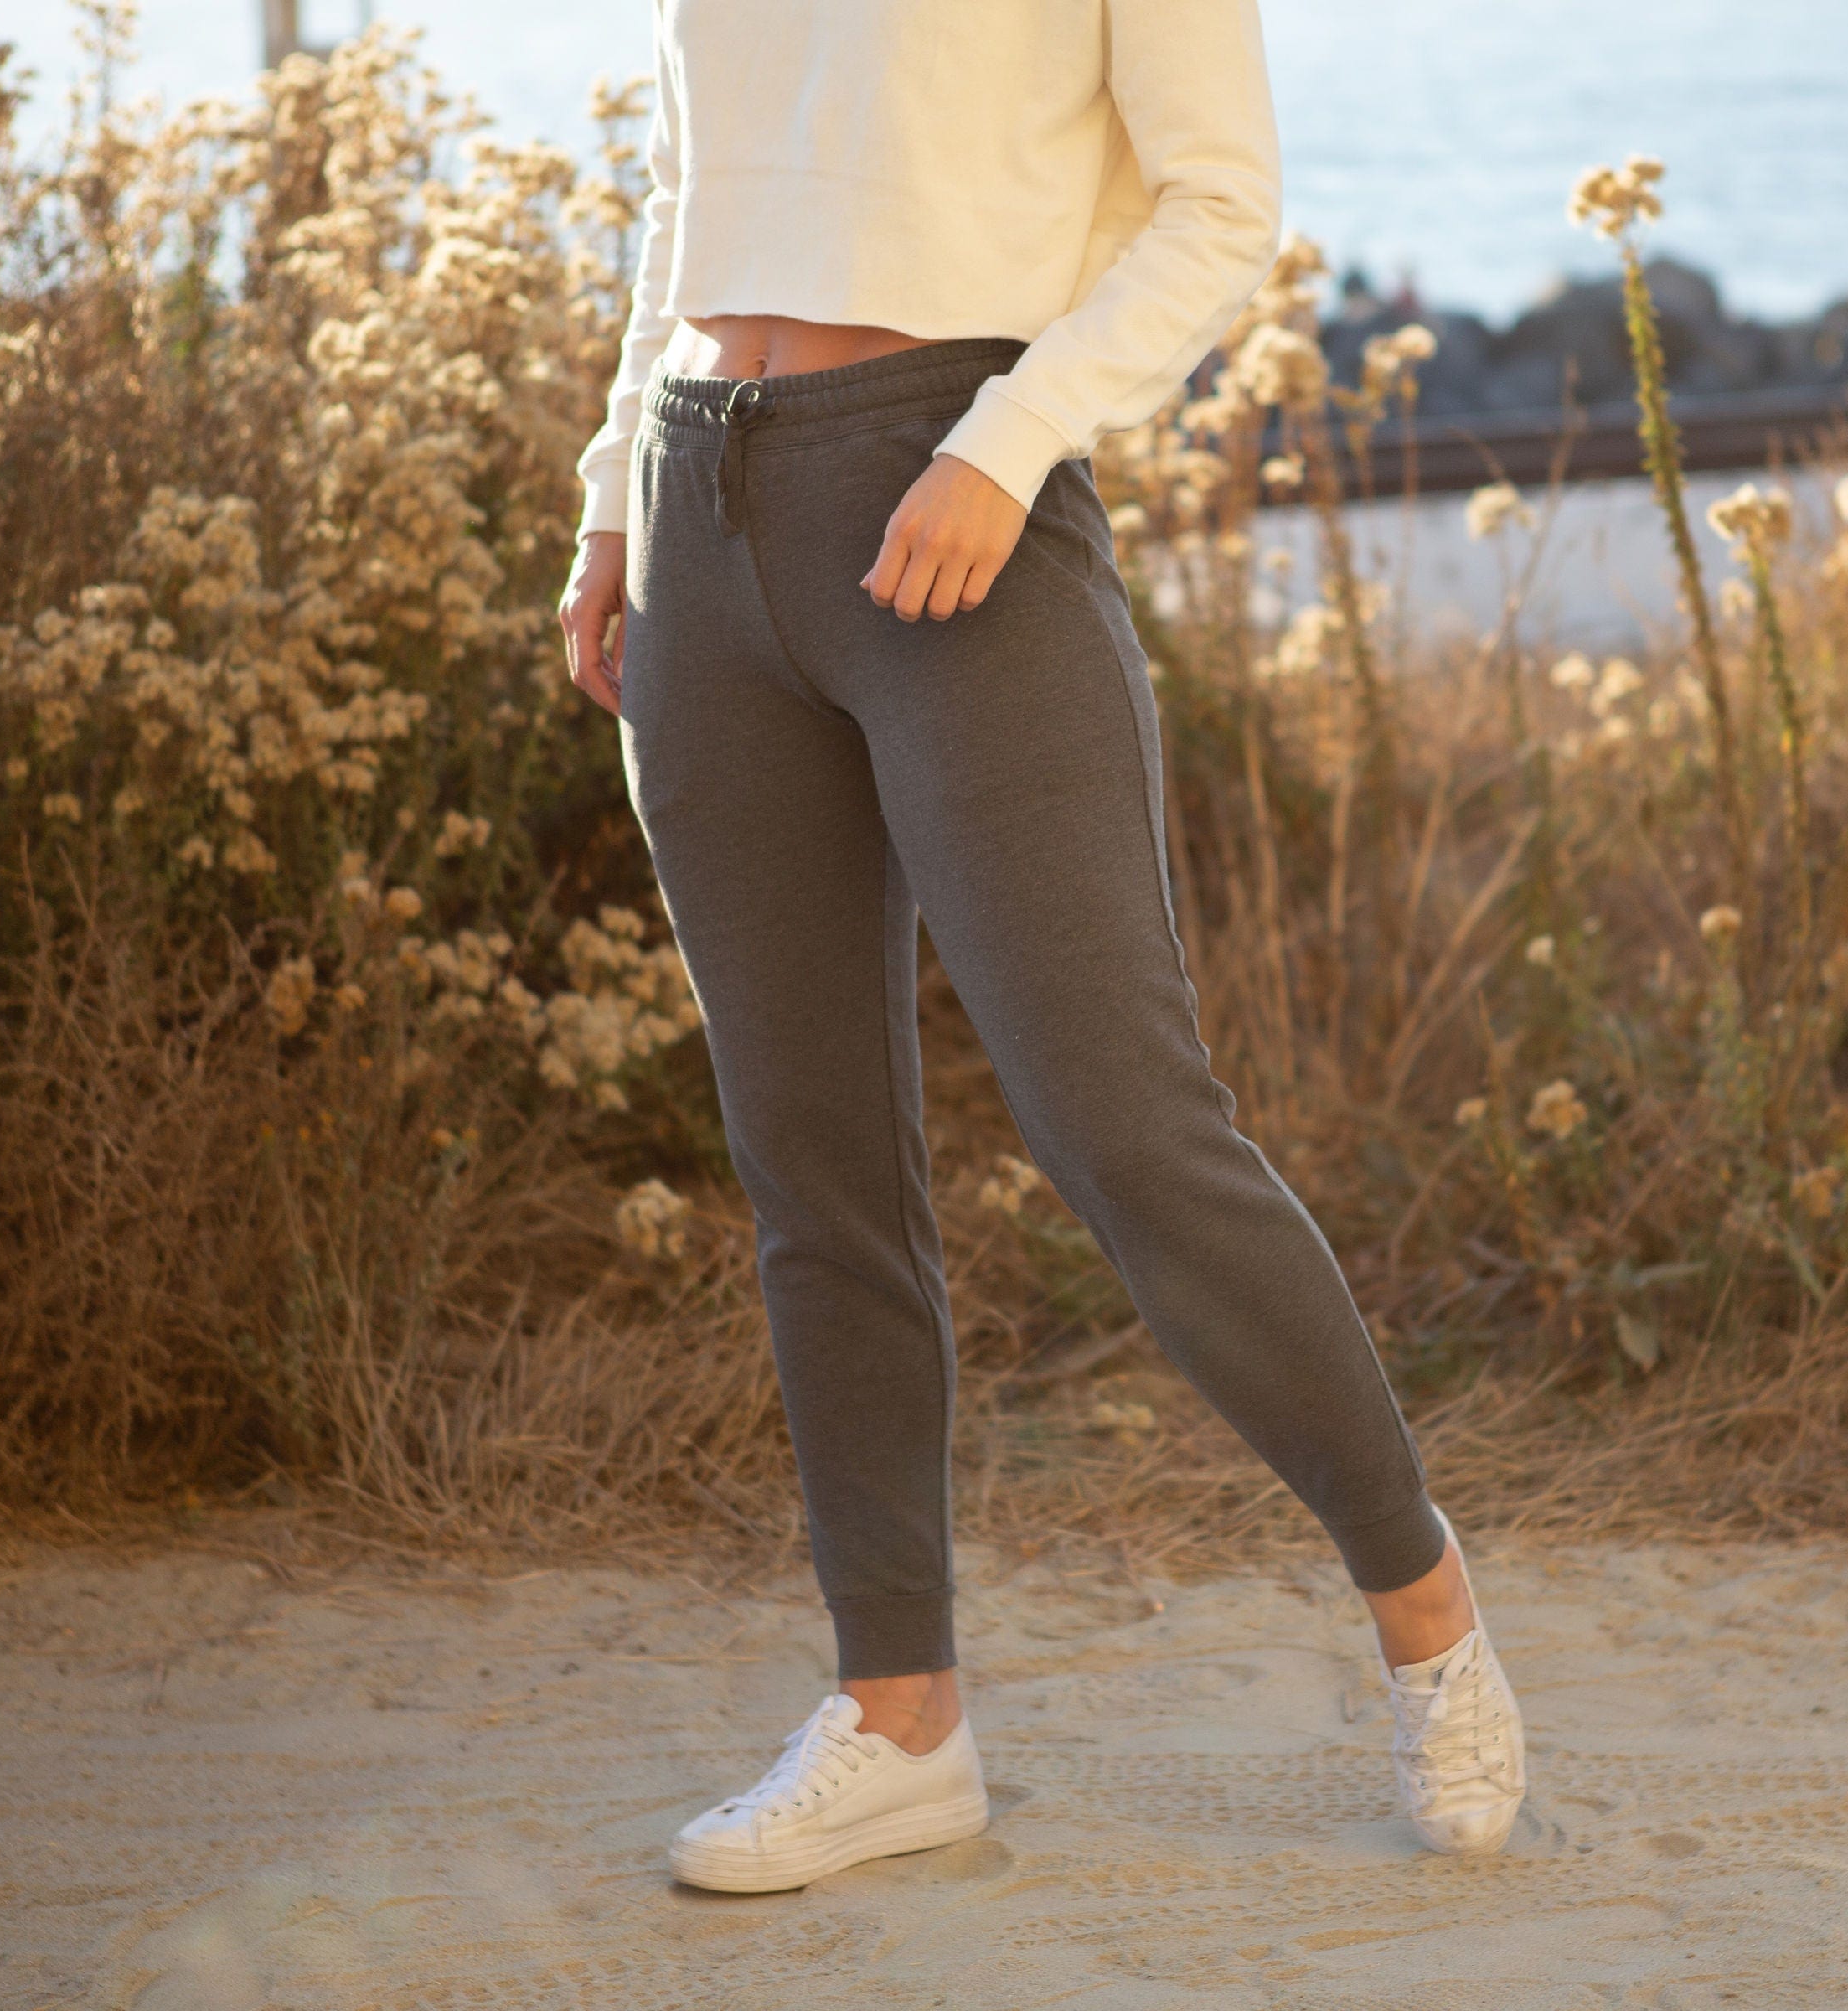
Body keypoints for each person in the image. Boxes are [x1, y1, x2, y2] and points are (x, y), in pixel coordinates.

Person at [556, 0, 1525, 1893]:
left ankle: (1429, 1618)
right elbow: (688, 191)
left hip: (958, 504)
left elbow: (1220, 205)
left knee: (1128, 1130)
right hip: (697, 514)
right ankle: (900, 1722)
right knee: (813, 1167)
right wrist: (611, 499)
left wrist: (1008, 443)